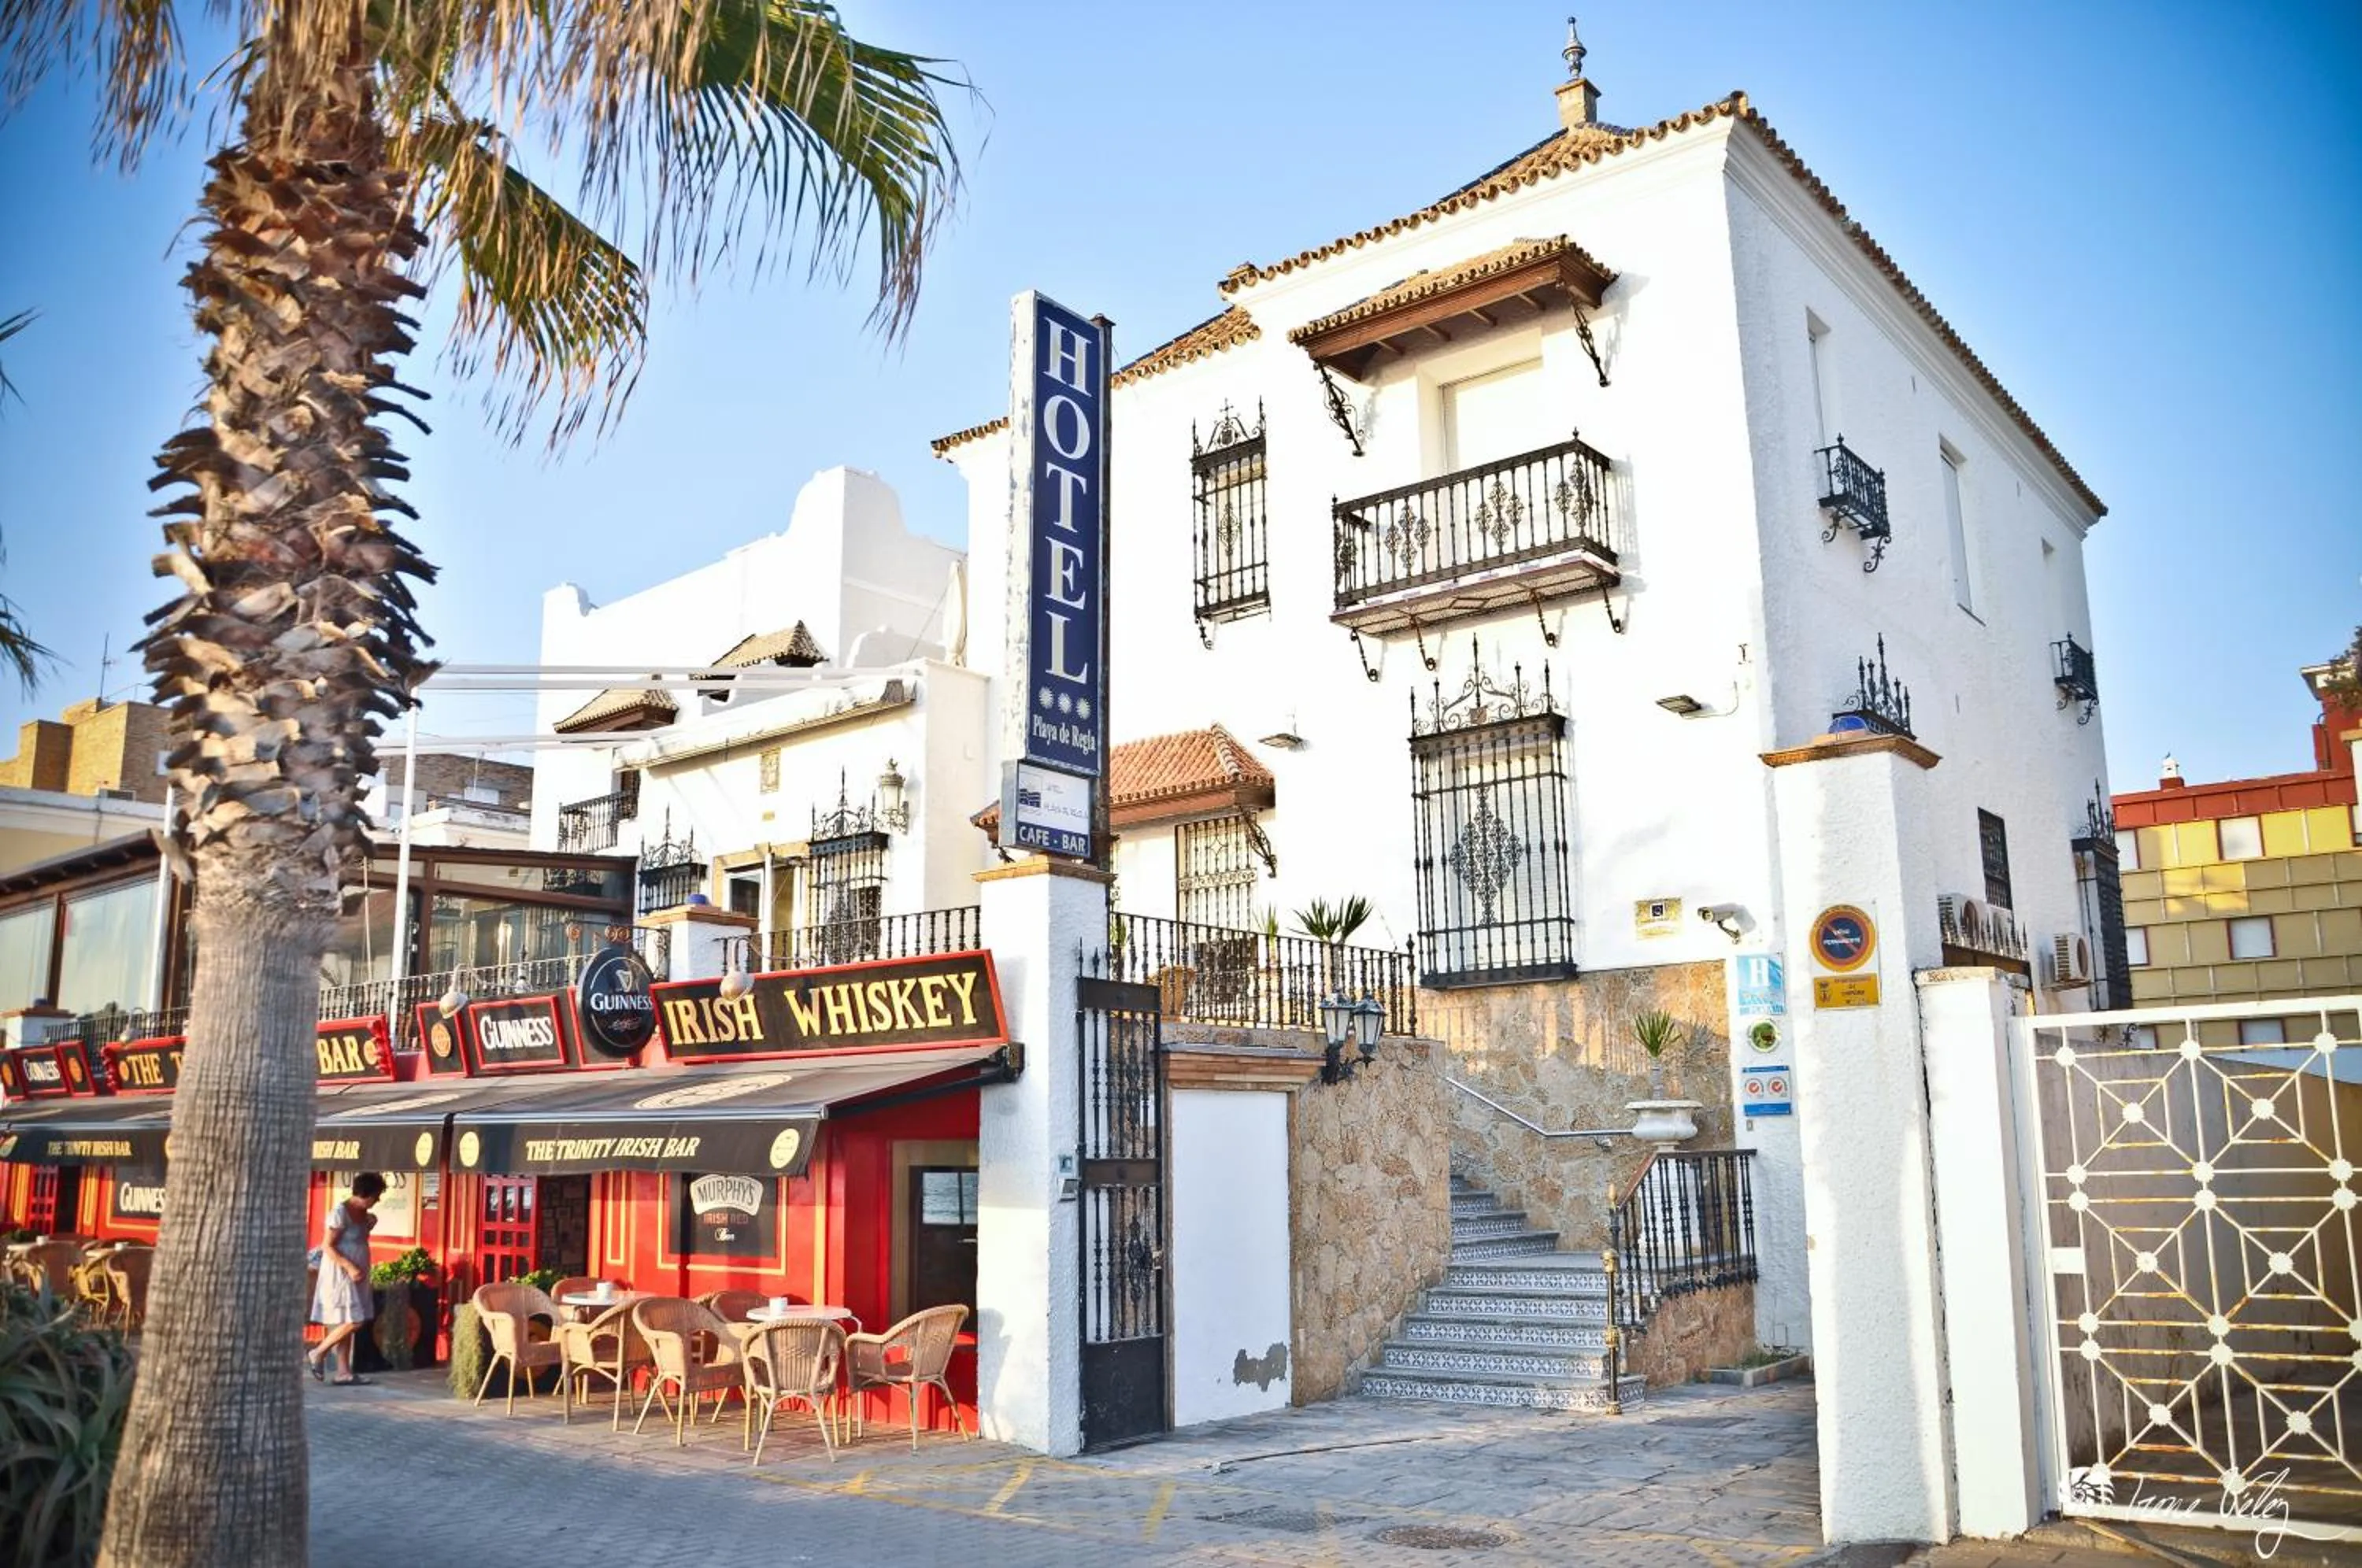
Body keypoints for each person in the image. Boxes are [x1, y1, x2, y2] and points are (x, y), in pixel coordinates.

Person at [305, 1172, 386, 1386]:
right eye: (376, 1196)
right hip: (341, 1272)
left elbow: (357, 1239)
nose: (377, 1201)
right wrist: (349, 1267)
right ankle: (318, 1352)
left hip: (357, 1272)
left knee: (346, 1319)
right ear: (366, 1194)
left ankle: (343, 1372)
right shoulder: (340, 1213)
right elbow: (327, 1246)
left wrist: (369, 1225)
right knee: (355, 1319)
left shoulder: (363, 1213)